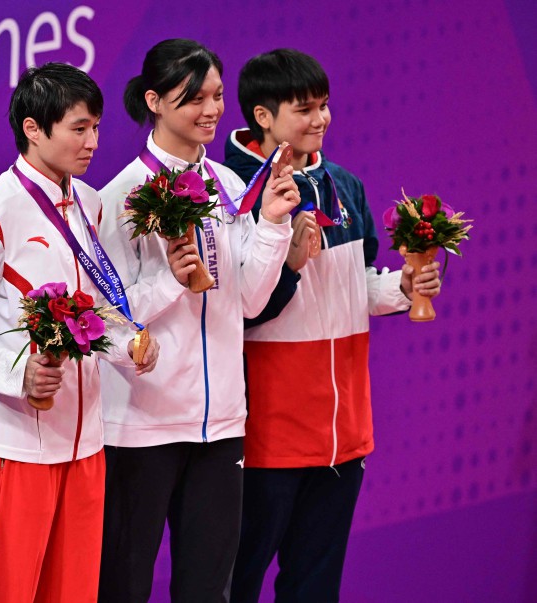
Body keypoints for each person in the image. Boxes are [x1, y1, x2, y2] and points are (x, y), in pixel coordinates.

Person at [0, 63, 159, 603]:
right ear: (34, 129)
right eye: (78, 128)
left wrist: (128, 346)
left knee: (74, 591)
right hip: (14, 441)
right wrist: (16, 372)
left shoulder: (89, 202)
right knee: (8, 591)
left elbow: (96, 299)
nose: (93, 142)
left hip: (83, 439)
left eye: (96, 128)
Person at [223, 49, 442, 602]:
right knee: (236, 582)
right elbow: (238, 308)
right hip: (266, 435)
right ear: (263, 116)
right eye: (305, 108)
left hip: (342, 433)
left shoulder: (346, 184)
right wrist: (288, 262)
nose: (321, 119)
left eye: (324, 106)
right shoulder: (230, 193)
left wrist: (402, 288)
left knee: (315, 586)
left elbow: (357, 285)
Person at [95, 39, 300, 603]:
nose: (211, 110)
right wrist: (170, 282)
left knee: (209, 590)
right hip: (143, 425)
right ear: (155, 101)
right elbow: (104, 318)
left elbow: (250, 303)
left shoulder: (229, 188)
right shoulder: (119, 198)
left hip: (221, 424)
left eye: (215, 96)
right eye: (195, 98)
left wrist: (274, 226)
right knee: (124, 587)